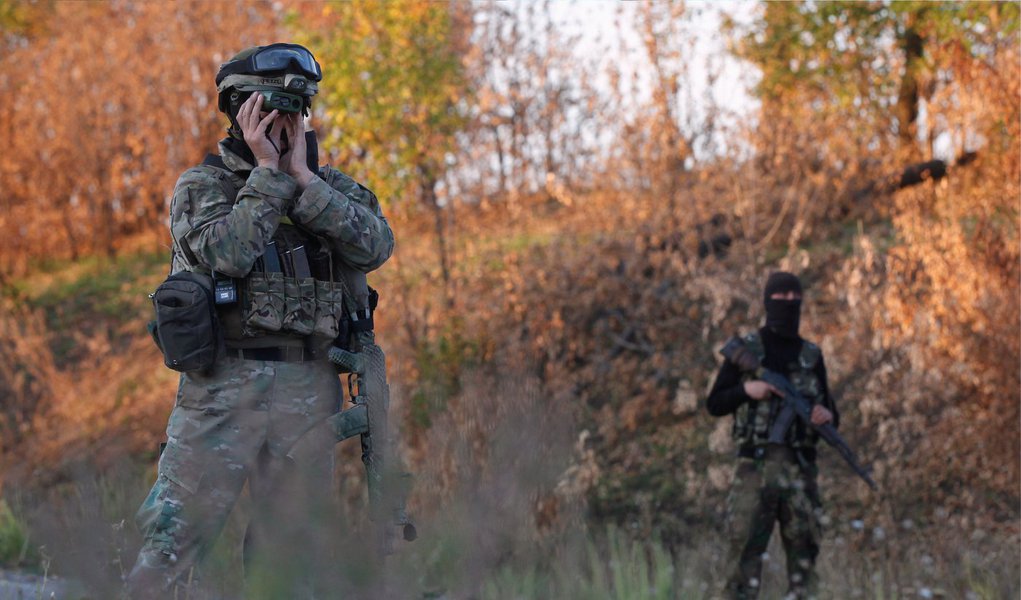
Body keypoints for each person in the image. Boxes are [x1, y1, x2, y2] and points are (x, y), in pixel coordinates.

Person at [127, 43, 394, 598]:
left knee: (291, 563)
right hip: (221, 390)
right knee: (170, 549)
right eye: (270, 109)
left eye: (297, 110)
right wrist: (268, 174)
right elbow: (226, 253)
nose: (285, 121)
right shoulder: (202, 187)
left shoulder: (329, 187)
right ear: (239, 110)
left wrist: (302, 178)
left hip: (309, 391)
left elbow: (375, 246)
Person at [706, 271, 837, 600]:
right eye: (781, 298)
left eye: (795, 298)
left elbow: (830, 410)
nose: (789, 304)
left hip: (800, 472)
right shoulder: (749, 349)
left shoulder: (811, 355)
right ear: (767, 302)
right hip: (756, 469)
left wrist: (826, 416)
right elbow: (715, 403)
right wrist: (748, 389)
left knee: (804, 566)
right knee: (742, 564)